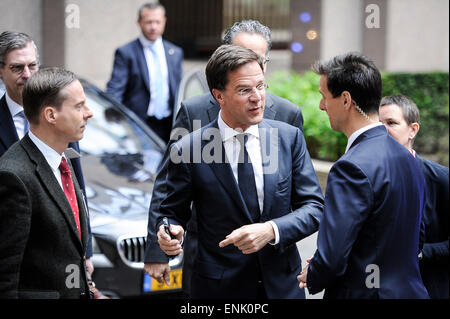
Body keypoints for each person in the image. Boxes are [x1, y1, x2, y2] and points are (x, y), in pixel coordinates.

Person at [143, 20, 305, 297]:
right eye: (241, 54)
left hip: (273, 265)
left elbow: (302, 195)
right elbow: (166, 184)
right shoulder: (193, 110)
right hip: (211, 255)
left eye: (258, 60)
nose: (248, 64)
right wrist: (158, 247)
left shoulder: (287, 116)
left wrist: (274, 230)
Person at [297, 52, 429, 299]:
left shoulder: (350, 168)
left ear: (346, 100)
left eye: (324, 96)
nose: (321, 106)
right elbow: (415, 237)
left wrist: (313, 272)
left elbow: (332, 258)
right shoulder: (408, 158)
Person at [0, 30, 106, 298]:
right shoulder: (13, 175)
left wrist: (87, 279)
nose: (90, 113)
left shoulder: (62, 154)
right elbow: (6, 278)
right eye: (80, 106)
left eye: (32, 65)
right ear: (50, 115)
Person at [379, 94, 449, 299]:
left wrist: (418, 253)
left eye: (391, 123)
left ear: (413, 130)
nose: (382, 131)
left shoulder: (441, 179)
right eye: (377, 124)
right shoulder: (360, 176)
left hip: (426, 288)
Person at [106, 2, 183, 143]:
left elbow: (178, 88)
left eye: (157, 22)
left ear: (164, 21)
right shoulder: (126, 53)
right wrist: (114, 122)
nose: (153, 27)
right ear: (139, 22)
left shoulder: (175, 52)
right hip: (139, 125)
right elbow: (115, 90)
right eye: (149, 22)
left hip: (170, 124)